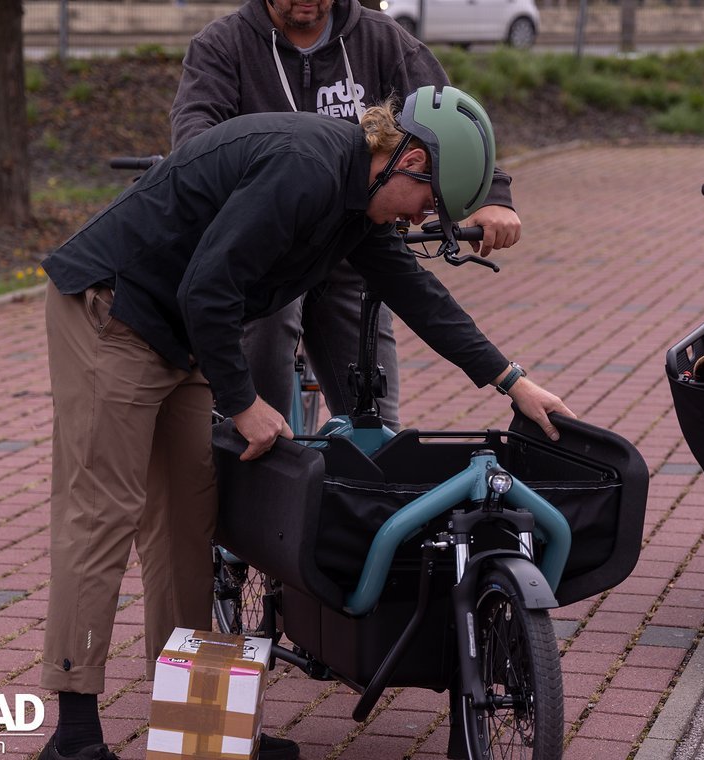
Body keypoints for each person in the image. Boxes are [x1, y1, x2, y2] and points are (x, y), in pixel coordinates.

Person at [37, 86, 574, 760]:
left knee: (186, 525)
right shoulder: (306, 167)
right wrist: (241, 401)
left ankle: (198, 730)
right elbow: (209, 285)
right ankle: (75, 735)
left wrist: (511, 381)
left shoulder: (359, 205)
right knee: (104, 514)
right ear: (405, 158)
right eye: (429, 200)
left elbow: (419, 296)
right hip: (111, 312)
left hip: (181, 330)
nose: (421, 218)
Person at [169, 0, 523, 430]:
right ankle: (263, 455)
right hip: (269, 250)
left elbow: (450, 127)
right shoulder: (223, 44)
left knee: (377, 424)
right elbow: (197, 131)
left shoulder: (382, 40)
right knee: (261, 367)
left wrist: (492, 195)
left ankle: (367, 483)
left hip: (358, 241)